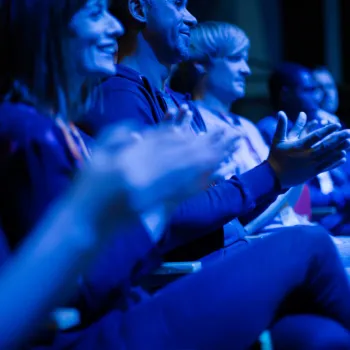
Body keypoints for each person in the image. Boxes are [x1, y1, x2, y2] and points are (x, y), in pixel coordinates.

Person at [1, 1, 350, 349]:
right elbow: (85, 289)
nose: (115, 27)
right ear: (46, 31)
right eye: (96, 14)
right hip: (98, 332)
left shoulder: (61, 127)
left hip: (135, 299)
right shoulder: (33, 130)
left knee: (321, 336)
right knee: (308, 243)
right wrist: (166, 203)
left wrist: (276, 177)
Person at [170, 21, 312, 233]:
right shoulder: (194, 121)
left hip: (290, 230)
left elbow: (298, 207)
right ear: (201, 63)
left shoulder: (248, 126)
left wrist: (304, 168)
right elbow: (227, 214)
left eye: (245, 60)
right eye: (235, 59)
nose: (246, 70)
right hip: (255, 242)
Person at [258, 63, 350, 236]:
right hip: (317, 222)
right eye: (308, 90)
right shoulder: (272, 131)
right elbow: (297, 196)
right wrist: (343, 196)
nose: (317, 96)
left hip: (339, 215)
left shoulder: (316, 125)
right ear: (285, 94)